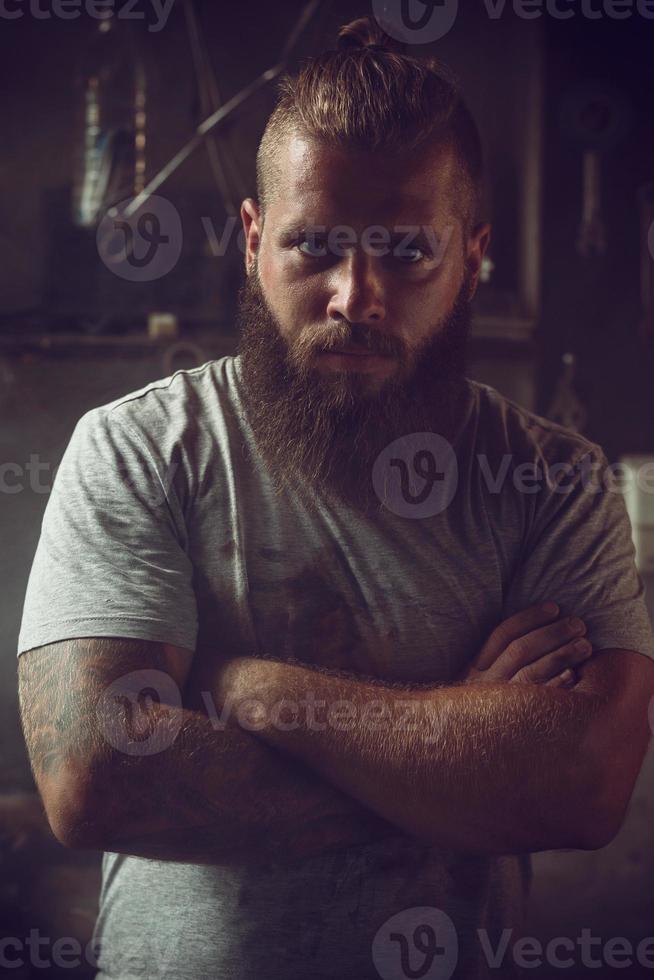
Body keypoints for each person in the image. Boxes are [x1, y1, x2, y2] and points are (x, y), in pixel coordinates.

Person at [17, 16, 654, 980]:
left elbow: (585, 786)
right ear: (252, 239)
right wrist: (463, 752)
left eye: (406, 255)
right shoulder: (136, 450)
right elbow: (95, 781)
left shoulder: (552, 483)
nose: (356, 296)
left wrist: (253, 690)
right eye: (315, 247)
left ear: (472, 254)